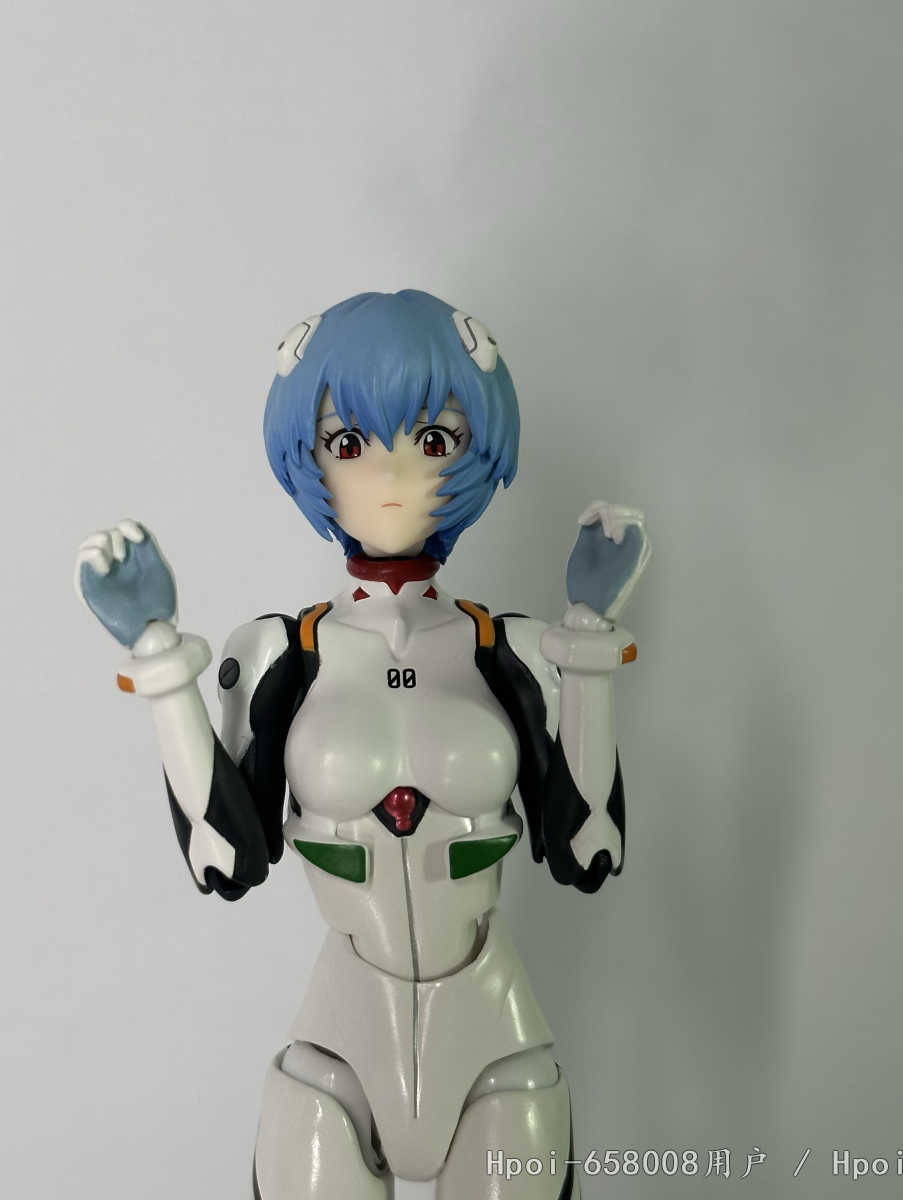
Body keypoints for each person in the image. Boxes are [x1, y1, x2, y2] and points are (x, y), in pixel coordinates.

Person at [75, 290, 649, 1199]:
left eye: (434, 439)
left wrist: (586, 641)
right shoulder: (280, 653)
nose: (391, 471)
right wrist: (158, 658)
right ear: (307, 458)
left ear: (477, 450)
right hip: (337, 1050)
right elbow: (226, 858)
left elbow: (587, 851)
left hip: (496, 1043)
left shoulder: (512, 649)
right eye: (348, 442)